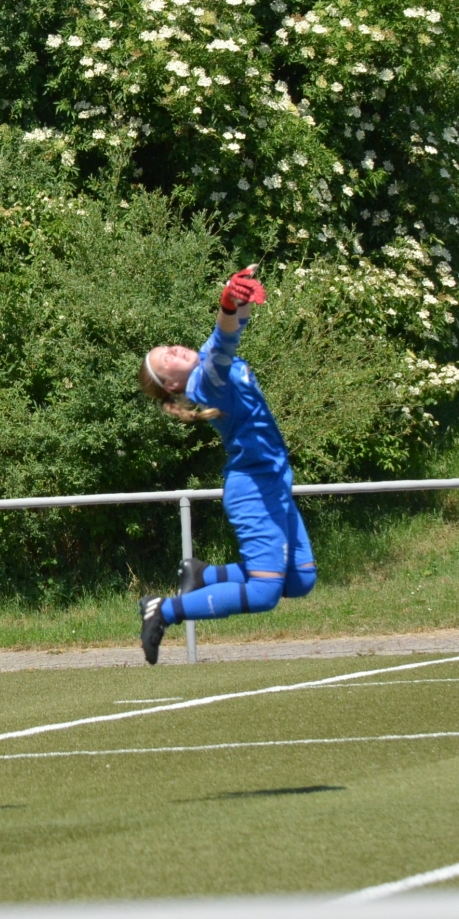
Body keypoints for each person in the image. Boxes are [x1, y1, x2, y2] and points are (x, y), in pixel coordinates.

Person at [135, 266, 317, 664]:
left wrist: (240, 297)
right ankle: (163, 610)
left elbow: (234, 325)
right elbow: (225, 335)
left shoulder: (203, 361)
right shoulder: (205, 382)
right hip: (253, 487)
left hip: (273, 481)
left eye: (169, 346)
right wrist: (226, 303)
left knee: (301, 578)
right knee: (264, 593)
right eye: (166, 358)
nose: (174, 350)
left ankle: (205, 575)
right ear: (171, 385)